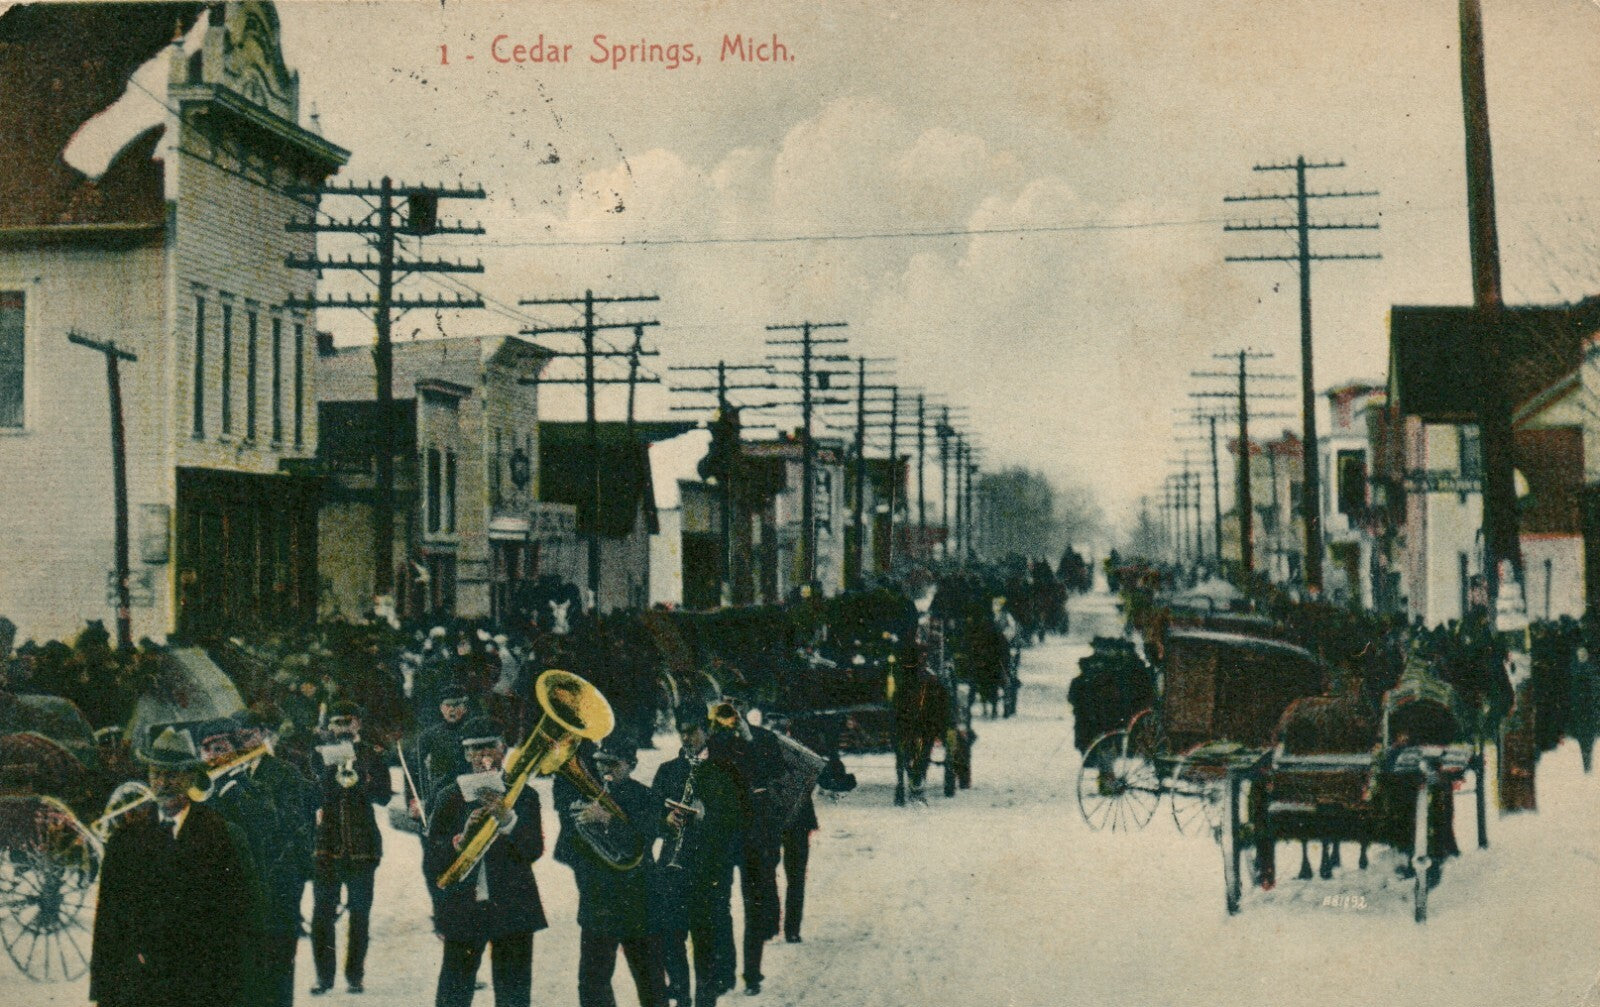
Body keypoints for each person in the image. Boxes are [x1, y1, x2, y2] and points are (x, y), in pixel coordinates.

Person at [90, 726, 260, 1007]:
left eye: (171, 774)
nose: (161, 783)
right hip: (141, 982)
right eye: (155, 774)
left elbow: (240, 913)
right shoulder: (126, 840)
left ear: (190, 778)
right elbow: (109, 922)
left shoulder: (220, 835)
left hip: (200, 982)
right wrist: (105, 991)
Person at [425, 717, 547, 1007]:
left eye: (489, 748)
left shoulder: (525, 795)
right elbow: (433, 856)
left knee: (514, 994)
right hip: (464, 907)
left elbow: (534, 849)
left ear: (502, 749)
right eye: (474, 750)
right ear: (465, 754)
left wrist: (508, 820)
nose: (483, 757)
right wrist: (461, 840)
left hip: (512, 905)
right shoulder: (449, 795)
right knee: (454, 991)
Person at [554, 734, 666, 1007]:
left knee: (650, 981)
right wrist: (581, 828)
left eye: (613, 764)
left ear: (632, 765)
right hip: (598, 901)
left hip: (639, 901)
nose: (605, 770)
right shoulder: (585, 796)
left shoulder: (645, 796)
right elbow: (563, 851)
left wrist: (608, 821)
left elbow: (642, 843)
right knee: (593, 982)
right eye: (601, 763)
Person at [652, 713, 748, 1007]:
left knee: (704, 940)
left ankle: (705, 999)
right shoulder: (668, 770)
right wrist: (665, 819)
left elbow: (738, 819)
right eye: (682, 732)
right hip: (672, 866)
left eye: (692, 732)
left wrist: (709, 815)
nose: (686, 738)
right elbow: (651, 814)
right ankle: (680, 993)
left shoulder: (724, 770)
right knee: (670, 936)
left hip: (708, 868)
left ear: (706, 732)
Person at [234, 709, 319, 1007]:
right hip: (246, 881)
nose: (245, 743)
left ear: (263, 734)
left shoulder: (285, 772)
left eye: (250, 735)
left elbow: (292, 822)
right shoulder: (223, 778)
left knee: (279, 962)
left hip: (279, 878)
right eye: (239, 738)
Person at [310, 701, 392, 996]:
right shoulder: (318, 755)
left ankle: (355, 974)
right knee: (322, 913)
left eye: (348, 721)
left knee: (360, 914)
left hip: (363, 846)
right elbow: (313, 796)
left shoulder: (372, 754)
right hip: (327, 845)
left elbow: (383, 796)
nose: (342, 728)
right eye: (337, 723)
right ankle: (324, 977)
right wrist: (327, 773)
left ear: (358, 723)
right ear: (329, 727)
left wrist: (364, 782)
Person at [415, 681, 474, 825]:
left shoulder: (473, 732)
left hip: (467, 794)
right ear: (441, 708)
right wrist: (419, 798)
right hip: (438, 794)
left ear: (465, 708)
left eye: (457, 705)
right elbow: (417, 768)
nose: (452, 710)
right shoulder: (429, 735)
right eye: (448, 706)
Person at [778, 788, 817, 944]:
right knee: (796, 877)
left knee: (764, 874)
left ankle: (767, 924)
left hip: (770, 816)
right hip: (797, 818)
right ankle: (791, 930)